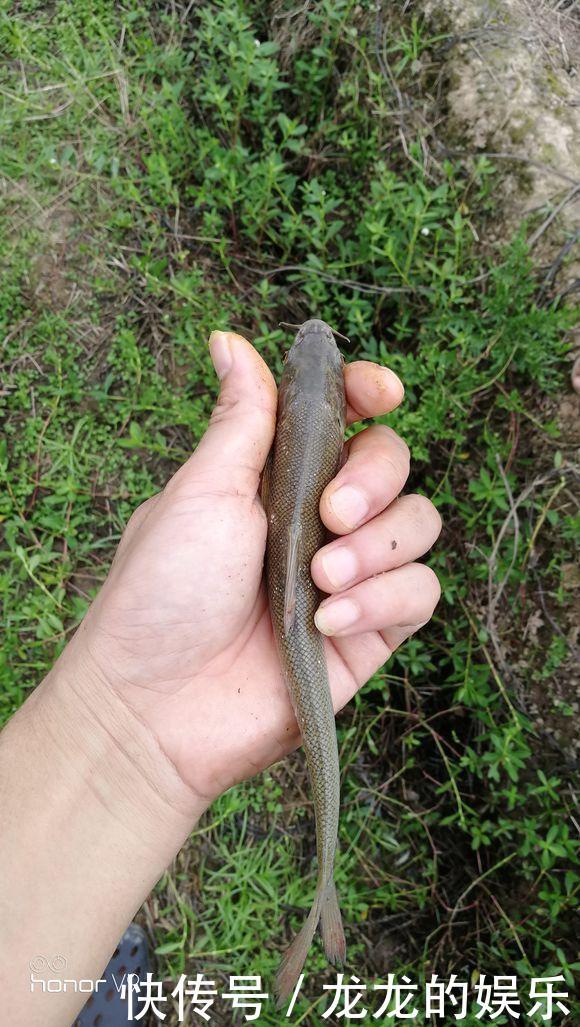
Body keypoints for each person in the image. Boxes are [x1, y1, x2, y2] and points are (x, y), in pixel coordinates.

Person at [0, 330, 442, 1025]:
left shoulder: (300, 432)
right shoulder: (322, 431)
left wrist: (116, 728)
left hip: (298, 621)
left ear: (291, 393)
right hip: (299, 618)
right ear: (328, 401)